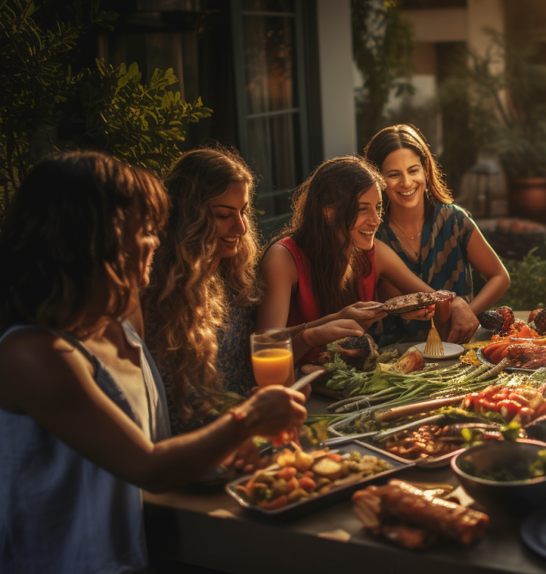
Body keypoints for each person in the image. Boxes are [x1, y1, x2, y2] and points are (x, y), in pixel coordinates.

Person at [0, 152, 306, 573]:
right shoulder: (32, 354)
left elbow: (160, 445)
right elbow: (147, 464)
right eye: (144, 230)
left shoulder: (123, 319)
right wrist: (249, 419)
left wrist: (231, 448)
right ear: (93, 239)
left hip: (142, 549)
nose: (157, 241)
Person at [256, 156, 447, 359]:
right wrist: (323, 328)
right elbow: (265, 348)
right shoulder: (283, 258)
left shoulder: (372, 252)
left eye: (378, 208)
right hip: (296, 385)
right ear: (327, 212)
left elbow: (433, 298)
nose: (375, 220)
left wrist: (401, 308)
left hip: (348, 381)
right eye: (362, 209)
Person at [143, 147, 270, 435]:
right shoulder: (159, 291)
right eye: (224, 214)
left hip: (249, 422)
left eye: (243, 211)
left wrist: (315, 331)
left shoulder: (231, 273)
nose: (240, 227)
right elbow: (178, 397)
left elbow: (258, 349)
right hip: (203, 440)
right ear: (188, 217)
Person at [364, 124, 509, 343]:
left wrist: (467, 313)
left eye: (413, 170)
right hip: (394, 357)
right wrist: (454, 303)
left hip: (458, 350)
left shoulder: (455, 220)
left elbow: (500, 277)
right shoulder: (372, 234)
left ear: (426, 169)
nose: (406, 183)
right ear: (377, 180)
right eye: (394, 175)